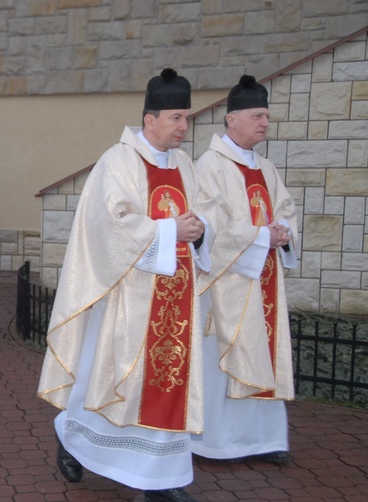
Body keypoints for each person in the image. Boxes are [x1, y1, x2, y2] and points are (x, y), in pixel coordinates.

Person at [37, 69, 213, 502]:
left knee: (167, 383)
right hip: (129, 299)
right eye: (176, 118)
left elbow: (208, 213)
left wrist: (200, 228)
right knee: (116, 384)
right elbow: (108, 225)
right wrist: (172, 230)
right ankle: (72, 434)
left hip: (177, 298)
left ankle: (163, 477)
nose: (183, 127)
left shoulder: (186, 165)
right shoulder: (118, 161)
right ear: (150, 119)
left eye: (186, 118)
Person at [191, 75, 297, 464]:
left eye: (266, 115)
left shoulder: (266, 168)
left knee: (265, 353)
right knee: (227, 355)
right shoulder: (210, 166)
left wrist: (285, 232)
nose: (265, 122)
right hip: (228, 283)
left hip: (265, 278)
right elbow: (208, 224)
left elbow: (284, 209)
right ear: (231, 119)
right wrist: (259, 237)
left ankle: (264, 441)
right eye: (257, 115)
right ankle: (217, 442)